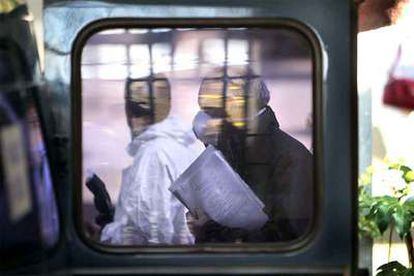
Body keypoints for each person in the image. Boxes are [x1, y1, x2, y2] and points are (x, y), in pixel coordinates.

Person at [192, 69, 313, 242]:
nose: (204, 121)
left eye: (212, 111)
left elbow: (288, 237)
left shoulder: (291, 158)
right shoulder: (231, 150)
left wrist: (213, 231)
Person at [100, 76, 204, 245]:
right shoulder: (185, 145)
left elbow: (149, 234)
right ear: (167, 104)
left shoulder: (153, 154)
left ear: (128, 110)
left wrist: (108, 233)